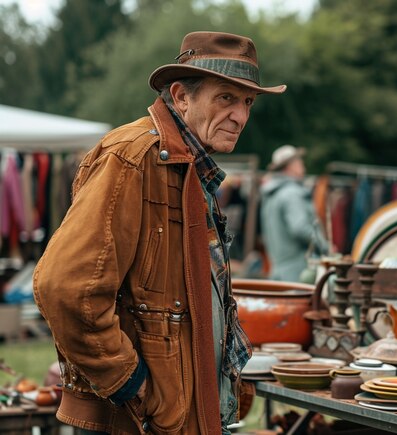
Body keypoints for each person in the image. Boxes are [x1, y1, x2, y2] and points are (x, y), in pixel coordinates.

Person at [32, 31, 286, 435]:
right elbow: (66, 288)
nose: (241, 115)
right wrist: (133, 385)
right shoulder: (135, 157)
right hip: (134, 422)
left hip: (174, 414)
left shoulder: (190, 167)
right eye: (226, 98)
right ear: (182, 96)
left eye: (247, 102)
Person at [260, 145, 329, 282]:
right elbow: (300, 228)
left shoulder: (271, 194)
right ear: (290, 166)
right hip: (298, 272)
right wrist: (325, 246)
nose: (302, 165)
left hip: (279, 270)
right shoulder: (292, 193)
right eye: (299, 162)